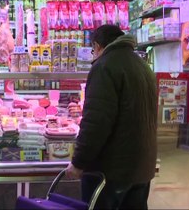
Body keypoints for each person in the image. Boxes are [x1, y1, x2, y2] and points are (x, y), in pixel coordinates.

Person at [66, 25, 157, 209]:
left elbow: (96, 122)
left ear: (98, 46)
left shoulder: (105, 66)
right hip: (141, 167)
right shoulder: (142, 65)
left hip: (111, 172)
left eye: (93, 50)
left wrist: (78, 162)